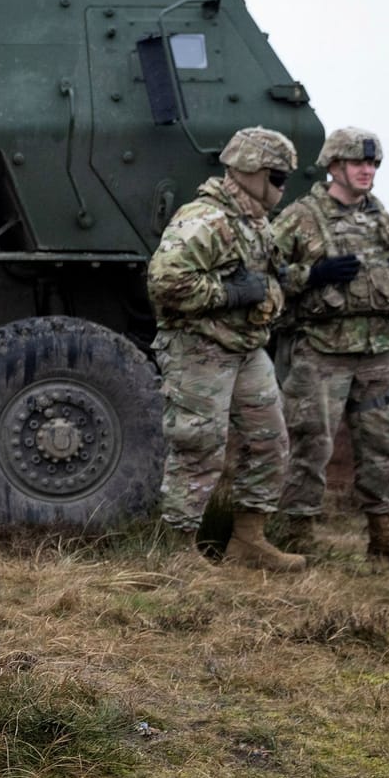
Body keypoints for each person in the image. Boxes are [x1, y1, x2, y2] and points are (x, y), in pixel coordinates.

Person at [273, 126, 389, 566]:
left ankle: (384, 538)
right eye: (358, 162)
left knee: (383, 447)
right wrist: (313, 275)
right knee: (310, 446)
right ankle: (298, 537)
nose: (367, 170)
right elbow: (264, 276)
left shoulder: (382, 220)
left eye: (373, 163)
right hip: (321, 351)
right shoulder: (299, 218)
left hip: (376, 350)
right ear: (334, 166)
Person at [147, 126, 306, 571]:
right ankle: (179, 551)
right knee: (198, 444)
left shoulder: (255, 221)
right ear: (251, 171)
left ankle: (247, 542)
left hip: (246, 348)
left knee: (270, 442)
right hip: (200, 347)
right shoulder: (205, 218)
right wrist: (230, 294)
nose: (282, 186)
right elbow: (165, 282)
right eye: (277, 176)